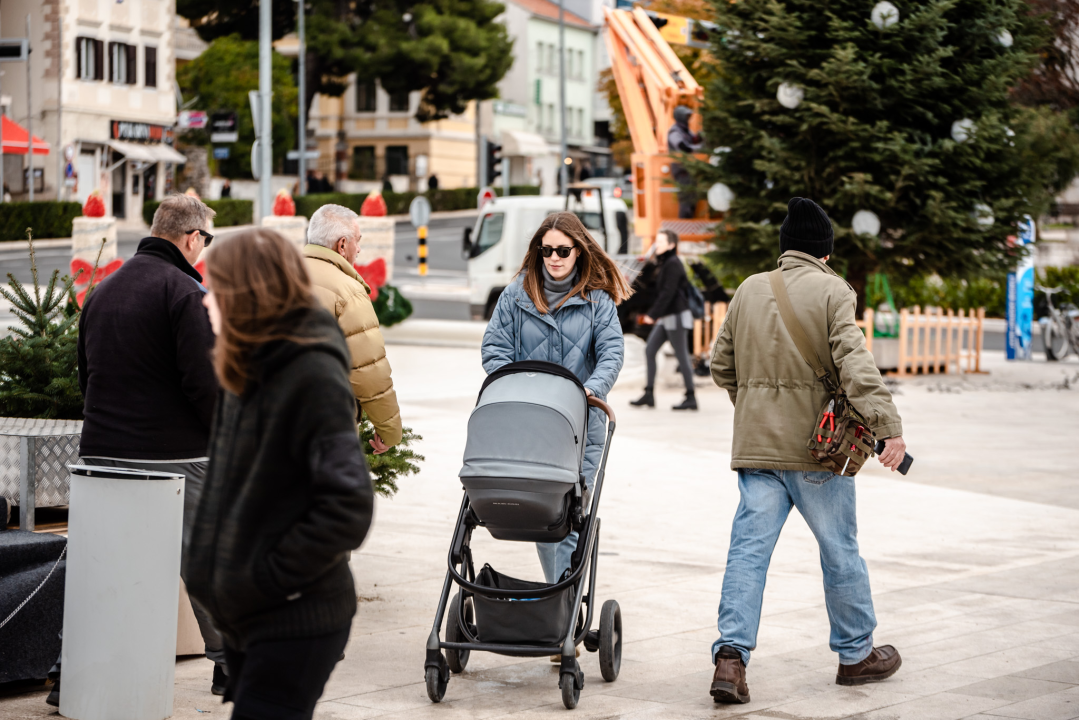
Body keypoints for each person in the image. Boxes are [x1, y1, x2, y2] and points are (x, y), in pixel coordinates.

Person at [707, 197, 908, 704]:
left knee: (747, 554)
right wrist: (888, 428)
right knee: (839, 551)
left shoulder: (750, 289)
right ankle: (855, 655)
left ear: (784, 247)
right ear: (824, 251)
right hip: (819, 453)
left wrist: (753, 408)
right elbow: (855, 366)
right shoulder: (834, 291)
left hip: (757, 450)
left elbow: (719, 365)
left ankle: (730, 661)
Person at [183, 228, 374, 720]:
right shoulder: (244, 368)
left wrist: (266, 579)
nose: (205, 303)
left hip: (295, 618)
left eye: (214, 289)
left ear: (246, 293)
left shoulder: (308, 373)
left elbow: (348, 505)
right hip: (252, 621)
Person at [72, 193, 226, 700]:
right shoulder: (183, 292)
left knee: (102, 569)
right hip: (174, 456)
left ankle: (68, 671)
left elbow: (86, 376)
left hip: (100, 453)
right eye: (205, 239)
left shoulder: (102, 291)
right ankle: (231, 665)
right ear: (189, 238)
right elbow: (204, 384)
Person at [481, 212, 631, 597]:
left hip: (581, 426)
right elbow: (494, 348)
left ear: (579, 251)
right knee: (544, 515)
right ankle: (559, 601)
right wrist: (517, 386)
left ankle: (561, 602)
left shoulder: (598, 301)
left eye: (563, 250)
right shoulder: (516, 295)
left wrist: (588, 391)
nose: (554, 257)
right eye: (546, 250)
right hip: (528, 424)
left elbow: (612, 354)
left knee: (571, 516)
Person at [303, 204, 402, 453]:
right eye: (358, 241)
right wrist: (389, 431)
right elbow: (368, 369)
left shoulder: (276, 276)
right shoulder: (348, 291)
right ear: (342, 244)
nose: (359, 249)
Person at [630, 230, 697, 410]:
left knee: (681, 355)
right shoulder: (665, 263)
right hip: (666, 316)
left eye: (661, 241)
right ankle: (649, 393)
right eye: (656, 240)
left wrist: (652, 314)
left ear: (671, 245)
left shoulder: (673, 263)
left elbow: (669, 292)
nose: (657, 244)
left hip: (675, 316)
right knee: (650, 350)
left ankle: (691, 397)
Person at [668, 105, 703, 218]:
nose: (688, 118)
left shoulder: (686, 130)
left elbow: (694, 139)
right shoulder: (674, 132)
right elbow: (682, 146)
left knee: (692, 197)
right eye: (687, 116)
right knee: (686, 199)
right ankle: (684, 221)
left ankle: (689, 219)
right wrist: (697, 148)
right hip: (681, 170)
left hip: (689, 169)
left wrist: (701, 137)